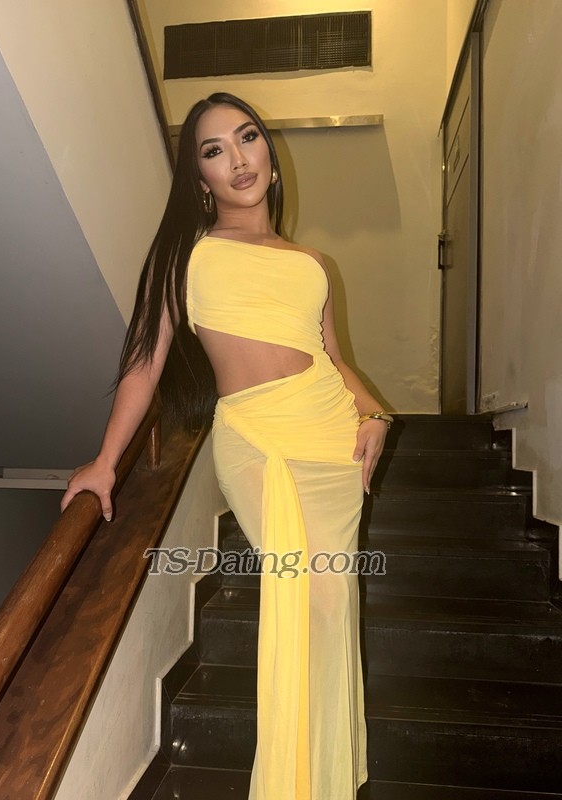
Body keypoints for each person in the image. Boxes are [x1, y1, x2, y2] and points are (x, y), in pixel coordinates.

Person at [61, 92, 391, 800]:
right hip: (255, 438)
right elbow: (145, 361)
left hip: (329, 435)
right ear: (199, 178)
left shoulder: (312, 262)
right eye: (215, 150)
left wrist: (376, 416)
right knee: (303, 593)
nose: (238, 158)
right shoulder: (185, 255)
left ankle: (325, 778)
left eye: (248, 138)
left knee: (333, 605)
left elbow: (336, 362)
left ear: (270, 155)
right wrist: (105, 461)